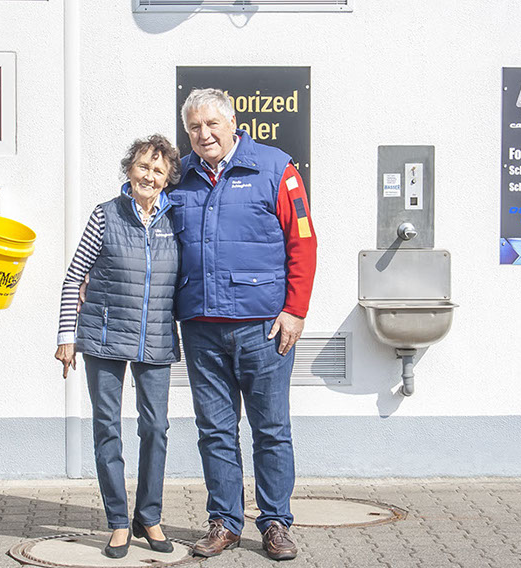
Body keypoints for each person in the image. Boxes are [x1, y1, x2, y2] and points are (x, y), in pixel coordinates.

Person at [171, 88, 318, 561]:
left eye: (211, 124)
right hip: (201, 327)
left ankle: (275, 522)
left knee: (270, 429)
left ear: (233, 123)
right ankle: (225, 522)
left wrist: (295, 310)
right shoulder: (180, 176)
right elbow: (143, 224)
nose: (204, 134)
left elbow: (303, 241)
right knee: (214, 430)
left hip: (264, 328)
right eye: (194, 127)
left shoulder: (276, 169)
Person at [55, 135, 182, 559]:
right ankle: (117, 521)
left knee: (156, 428)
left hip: (156, 336)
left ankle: (148, 516)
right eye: (143, 166)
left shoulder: (175, 218)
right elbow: (75, 276)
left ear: (168, 178)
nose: (150, 176)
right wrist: (66, 336)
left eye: (158, 170)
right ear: (129, 169)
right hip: (104, 337)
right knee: (107, 427)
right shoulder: (105, 215)